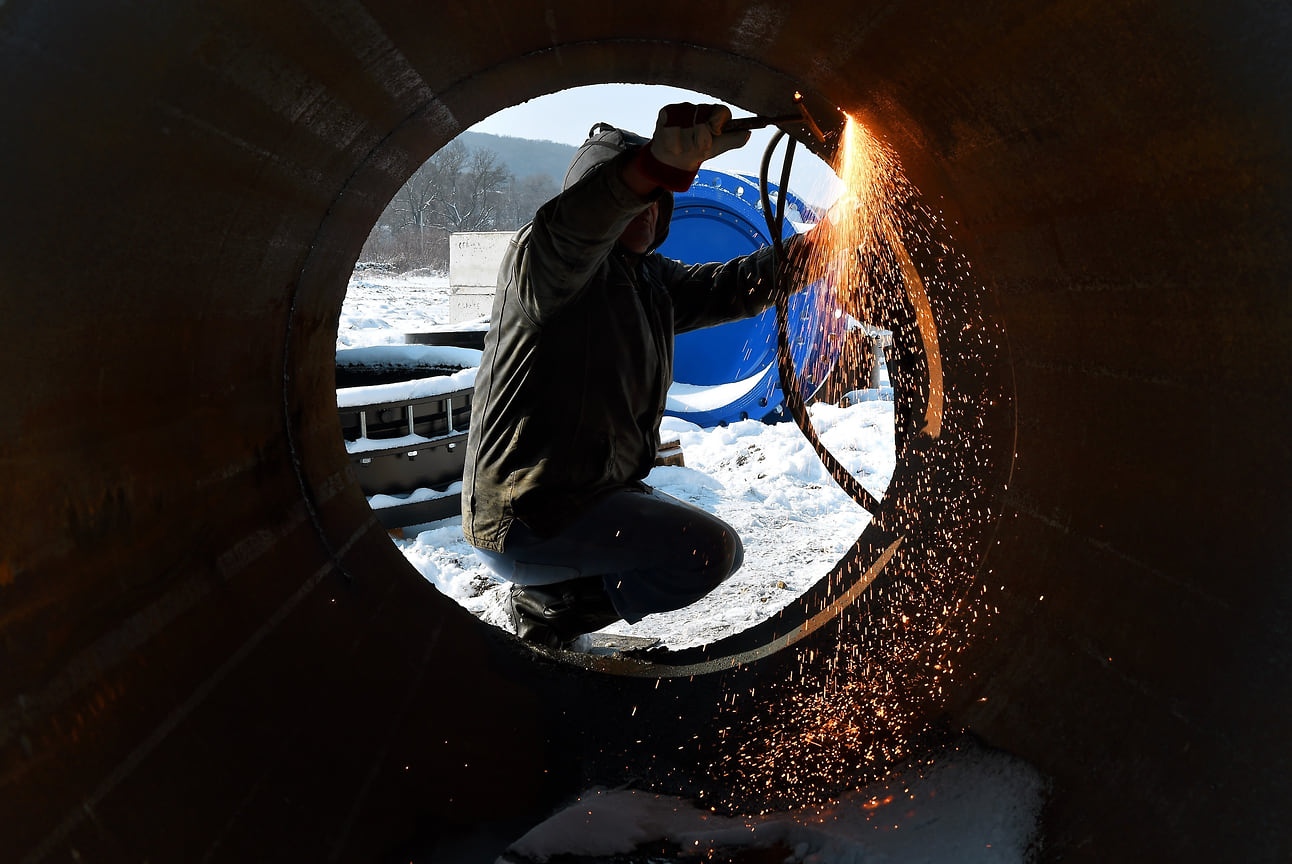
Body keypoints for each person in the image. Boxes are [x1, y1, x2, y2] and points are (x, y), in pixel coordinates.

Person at [461, 102, 810, 649]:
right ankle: (550, 607)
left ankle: (556, 594)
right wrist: (651, 167)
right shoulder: (544, 265)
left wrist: (833, 241)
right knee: (704, 551)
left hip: (586, 499)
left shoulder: (645, 278)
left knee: (705, 547)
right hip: (529, 514)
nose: (650, 210)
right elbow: (575, 226)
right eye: (638, 198)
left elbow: (734, 285)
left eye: (661, 202)